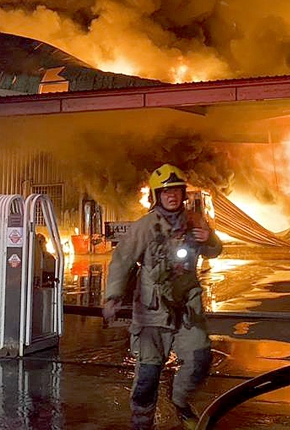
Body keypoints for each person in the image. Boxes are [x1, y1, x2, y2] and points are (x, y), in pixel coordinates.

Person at [103, 163, 223, 430]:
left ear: (183, 194)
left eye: (176, 191)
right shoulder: (144, 227)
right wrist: (113, 296)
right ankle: (141, 424)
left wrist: (210, 239)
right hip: (152, 311)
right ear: (156, 196)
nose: (172, 196)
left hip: (187, 309)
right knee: (148, 375)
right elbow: (122, 260)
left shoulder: (195, 221)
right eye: (166, 192)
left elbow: (214, 252)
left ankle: (179, 400)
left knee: (200, 359)